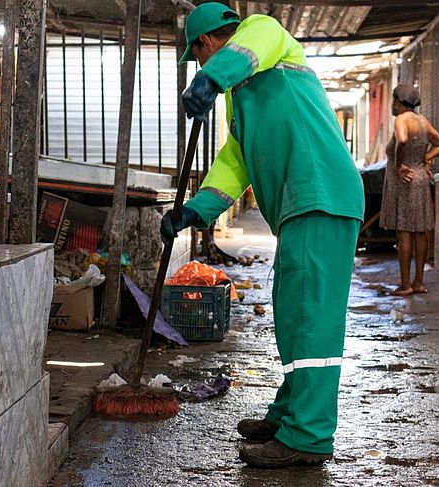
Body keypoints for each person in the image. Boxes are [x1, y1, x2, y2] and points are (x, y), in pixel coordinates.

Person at [160, 2, 365, 469]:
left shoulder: (264, 34)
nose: (200, 66)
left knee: (310, 314)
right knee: (293, 312)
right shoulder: (242, 103)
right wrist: (193, 211)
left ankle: (309, 436)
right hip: (303, 204)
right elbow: (235, 164)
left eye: (198, 58)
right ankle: (289, 415)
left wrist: (213, 78)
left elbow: (252, 47)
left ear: (207, 43)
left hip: (320, 194)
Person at [380, 85, 439, 296]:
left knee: (405, 231)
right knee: (420, 230)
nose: (393, 105)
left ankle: (406, 284)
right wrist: (423, 160)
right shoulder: (422, 121)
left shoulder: (401, 120)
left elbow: (403, 140)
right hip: (420, 178)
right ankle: (419, 282)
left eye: (393, 101)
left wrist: (400, 165)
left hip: (405, 180)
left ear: (399, 101)